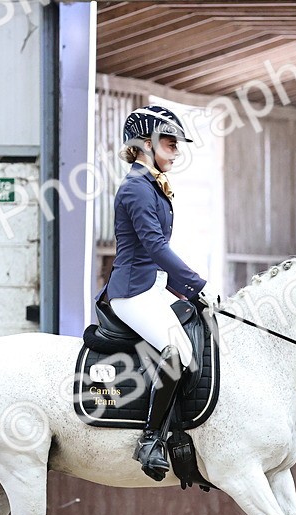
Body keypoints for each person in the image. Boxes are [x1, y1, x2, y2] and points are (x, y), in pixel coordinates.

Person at [99, 105, 212, 481]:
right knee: (176, 352)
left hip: (152, 286)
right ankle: (150, 439)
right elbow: (153, 246)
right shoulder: (136, 188)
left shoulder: (151, 185)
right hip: (132, 291)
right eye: (169, 142)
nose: (176, 151)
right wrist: (194, 283)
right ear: (145, 144)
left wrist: (185, 292)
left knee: (202, 330)